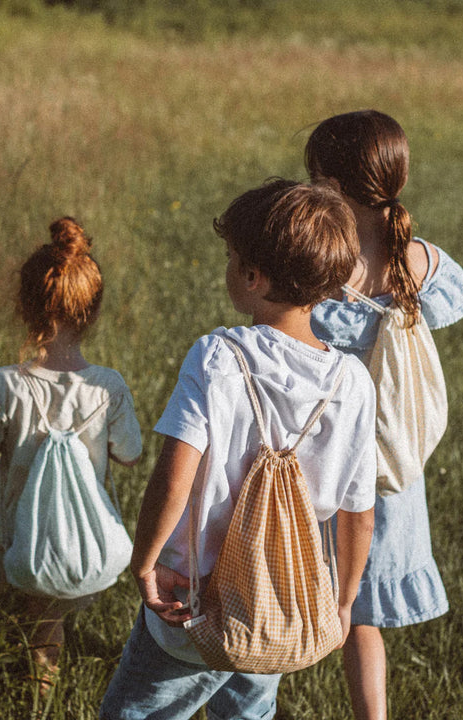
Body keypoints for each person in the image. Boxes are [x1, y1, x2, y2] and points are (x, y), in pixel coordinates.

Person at [99, 179, 377, 720]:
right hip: (277, 597)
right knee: (248, 711)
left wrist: (145, 562)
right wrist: (343, 602)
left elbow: (174, 477)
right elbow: (358, 513)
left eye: (231, 258)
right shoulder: (352, 382)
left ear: (253, 276)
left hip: (191, 597)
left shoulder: (218, 357)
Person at [305, 110, 463, 720]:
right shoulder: (420, 262)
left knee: (291, 586)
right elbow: (458, 297)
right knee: (363, 612)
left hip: (323, 461)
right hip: (393, 464)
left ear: (334, 185)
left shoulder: (326, 268)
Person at [0, 217, 142, 689]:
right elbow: (130, 456)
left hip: (6, 521)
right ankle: (41, 699)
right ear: (92, 312)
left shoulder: (6, 383)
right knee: (45, 623)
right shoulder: (107, 387)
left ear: (25, 307)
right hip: (59, 535)